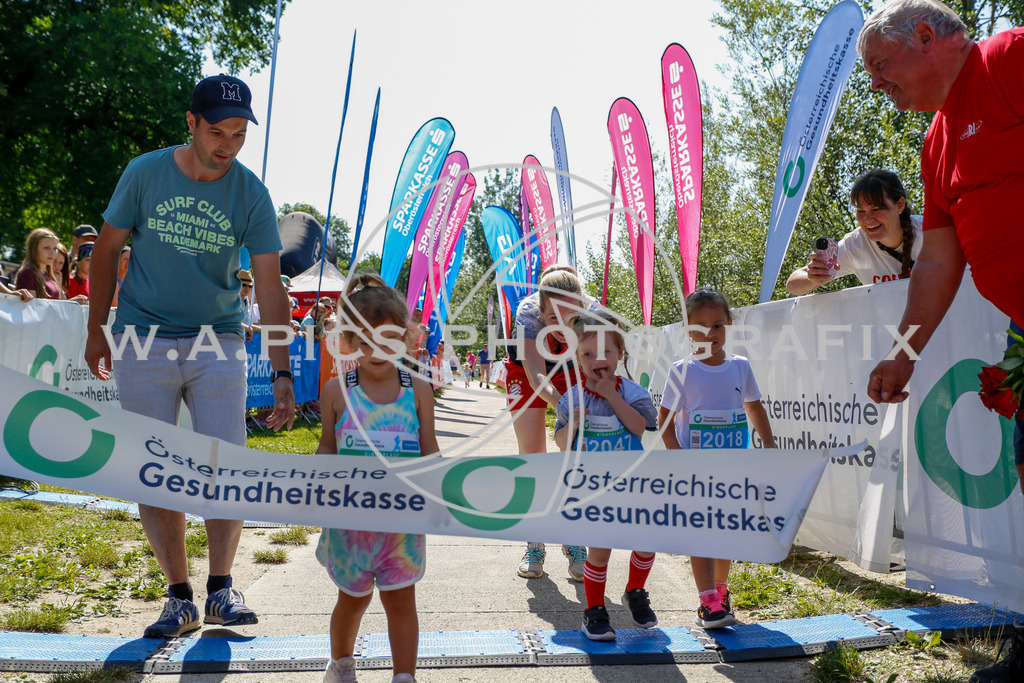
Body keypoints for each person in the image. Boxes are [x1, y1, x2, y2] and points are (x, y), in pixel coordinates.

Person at [84, 74, 295, 639]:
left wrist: (281, 372)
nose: (228, 145)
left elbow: (271, 289)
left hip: (219, 338)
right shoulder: (144, 172)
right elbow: (106, 251)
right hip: (141, 337)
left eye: (240, 134)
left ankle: (222, 587)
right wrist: (96, 329)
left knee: (226, 464)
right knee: (155, 470)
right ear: (191, 123)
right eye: (218, 131)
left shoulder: (251, 193)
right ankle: (178, 597)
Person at [859, 3, 1024, 679]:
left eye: (880, 67)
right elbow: (937, 260)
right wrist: (903, 352)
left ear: (925, 38)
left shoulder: (1010, 60)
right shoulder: (936, 142)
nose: (876, 85)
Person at [316, 273, 437, 683]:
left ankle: (404, 675)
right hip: (350, 528)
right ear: (348, 340)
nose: (377, 350)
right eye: (365, 339)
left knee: (401, 602)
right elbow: (327, 450)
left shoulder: (418, 390)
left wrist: (442, 491)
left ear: (406, 338)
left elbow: (429, 450)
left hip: (401, 527)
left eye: (388, 339)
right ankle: (342, 665)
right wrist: (316, 481)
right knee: (352, 602)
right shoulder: (337, 392)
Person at [658, 289, 776, 628]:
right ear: (686, 329)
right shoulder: (682, 371)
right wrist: (676, 454)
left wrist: (768, 445)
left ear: (729, 325)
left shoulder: (740, 367)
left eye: (718, 326)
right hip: (695, 471)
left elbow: (753, 406)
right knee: (701, 535)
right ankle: (707, 601)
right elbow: (664, 418)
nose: (710, 334)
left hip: (733, 469)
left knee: (725, 532)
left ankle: (721, 593)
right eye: (700, 327)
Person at [554, 311, 659, 641]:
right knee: (599, 552)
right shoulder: (572, 399)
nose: (597, 360)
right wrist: (572, 423)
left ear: (620, 354)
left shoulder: (634, 394)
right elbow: (560, 442)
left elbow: (640, 427)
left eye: (606, 352)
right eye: (588, 354)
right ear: (577, 359)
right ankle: (594, 611)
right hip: (592, 489)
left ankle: (635, 592)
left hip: (633, 487)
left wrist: (612, 395)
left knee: (646, 543)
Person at [506, 264, 592, 581]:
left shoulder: (593, 315)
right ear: (541, 311)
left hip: (572, 367)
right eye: (553, 317)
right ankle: (535, 543)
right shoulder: (527, 314)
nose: (561, 324)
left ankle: (575, 539)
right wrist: (562, 405)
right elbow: (536, 373)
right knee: (533, 457)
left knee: (574, 454)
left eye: (569, 317)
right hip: (529, 372)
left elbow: (601, 366)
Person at [786, 170, 923, 295]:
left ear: (900, 205)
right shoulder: (855, 245)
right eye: (861, 211)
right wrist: (815, 278)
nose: (868, 219)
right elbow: (792, 285)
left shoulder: (929, 232)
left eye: (876, 209)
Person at [15, 228, 61, 300]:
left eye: (55, 248)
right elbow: (31, 306)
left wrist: (72, 303)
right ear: (34, 249)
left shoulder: (47, 274)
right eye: (46, 248)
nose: (52, 253)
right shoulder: (28, 273)